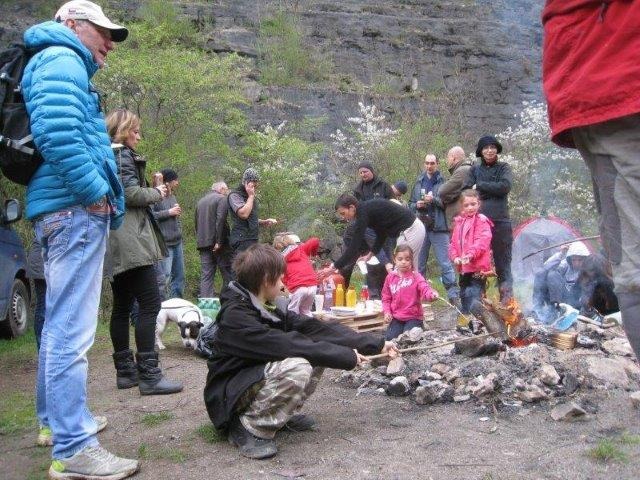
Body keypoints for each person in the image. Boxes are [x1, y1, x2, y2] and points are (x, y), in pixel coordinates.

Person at [21, 2, 138, 477]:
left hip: (60, 210)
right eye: (102, 32)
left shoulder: (54, 59)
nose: (109, 42)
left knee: (58, 326)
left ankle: (56, 422)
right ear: (71, 25)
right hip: (72, 211)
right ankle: (73, 449)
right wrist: (95, 194)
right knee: (71, 331)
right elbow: (57, 132)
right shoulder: (61, 57)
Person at [203, 244, 398, 459]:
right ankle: (249, 426)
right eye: (280, 278)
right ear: (266, 280)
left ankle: (278, 415)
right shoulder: (237, 318)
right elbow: (288, 344)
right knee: (300, 364)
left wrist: (373, 343)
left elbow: (313, 328)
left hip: (249, 378)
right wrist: (345, 356)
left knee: (317, 353)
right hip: (228, 397)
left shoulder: (265, 305)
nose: (283, 283)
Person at [542, 1, 640, 361]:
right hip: (620, 79)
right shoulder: (554, 275)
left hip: (596, 75)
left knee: (628, 259)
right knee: (635, 265)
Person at [105, 108, 183, 397]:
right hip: (131, 241)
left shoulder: (104, 153)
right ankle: (150, 376)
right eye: (135, 131)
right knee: (151, 304)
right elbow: (130, 194)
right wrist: (159, 192)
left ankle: (126, 374)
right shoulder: (122, 154)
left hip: (113, 240)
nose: (138, 136)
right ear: (124, 131)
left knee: (122, 307)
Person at [321, 194, 425, 279]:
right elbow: (381, 233)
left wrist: (333, 267)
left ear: (352, 207)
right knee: (408, 269)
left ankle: (407, 301)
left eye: (343, 213)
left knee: (402, 268)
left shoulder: (362, 214)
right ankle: (413, 300)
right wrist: (371, 254)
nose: (343, 217)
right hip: (413, 229)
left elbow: (354, 246)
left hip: (410, 230)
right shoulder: (367, 210)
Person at [463, 136, 513, 302]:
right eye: (486, 148)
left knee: (503, 263)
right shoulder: (474, 170)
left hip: (501, 222)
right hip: (478, 224)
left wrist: (481, 186)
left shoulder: (503, 167)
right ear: (481, 151)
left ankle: (507, 301)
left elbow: (505, 186)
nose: (489, 150)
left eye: (492, 147)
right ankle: (478, 303)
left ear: (497, 149)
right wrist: (489, 189)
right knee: (478, 263)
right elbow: (467, 192)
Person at [408, 154, 459, 304]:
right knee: (419, 264)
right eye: (427, 163)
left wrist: (434, 200)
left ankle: (453, 295)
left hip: (439, 228)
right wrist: (416, 205)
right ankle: (420, 295)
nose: (429, 166)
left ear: (437, 164)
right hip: (421, 227)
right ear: (424, 164)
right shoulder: (418, 182)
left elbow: (449, 205)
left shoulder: (444, 182)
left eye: (432, 163)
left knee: (445, 263)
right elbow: (410, 204)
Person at [448, 190, 493, 330]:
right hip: (464, 268)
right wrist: (455, 257)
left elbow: (483, 240)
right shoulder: (459, 223)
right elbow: (453, 244)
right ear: (462, 207)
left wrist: (471, 254)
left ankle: (479, 323)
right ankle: (466, 322)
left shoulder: (482, 221)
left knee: (476, 296)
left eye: (473, 204)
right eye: (466, 205)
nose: (470, 208)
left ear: (478, 204)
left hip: (478, 268)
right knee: (464, 294)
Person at [381, 245, 439, 340]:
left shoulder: (416, 276)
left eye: (407, 259)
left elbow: (425, 288)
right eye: (400, 259)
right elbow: (386, 298)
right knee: (390, 339)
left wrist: (431, 294)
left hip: (413, 317)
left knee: (408, 338)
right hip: (397, 317)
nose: (403, 262)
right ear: (395, 260)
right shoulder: (390, 277)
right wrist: (387, 312)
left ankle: (420, 326)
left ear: (411, 260)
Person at [227, 168, 277, 257]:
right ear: (248, 182)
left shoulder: (249, 196)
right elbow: (243, 214)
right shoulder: (235, 195)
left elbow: (250, 217)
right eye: (254, 183)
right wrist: (251, 196)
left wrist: (264, 221)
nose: (256, 186)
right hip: (241, 239)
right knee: (243, 269)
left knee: (253, 269)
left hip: (252, 238)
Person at [195, 181, 233, 297]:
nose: (227, 192)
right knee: (228, 274)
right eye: (226, 189)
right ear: (221, 189)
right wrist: (218, 241)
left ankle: (206, 310)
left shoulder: (200, 202)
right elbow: (220, 220)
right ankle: (228, 303)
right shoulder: (222, 199)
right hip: (220, 244)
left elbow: (196, 224)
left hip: (203, 244)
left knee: (206, 277)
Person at [153, 168, 185, 298]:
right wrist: (169, 213)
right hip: (164, 243)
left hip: (177, 241)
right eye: (175, 180)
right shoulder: (155, 196)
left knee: (179, 277)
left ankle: (177, 305)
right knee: (165, 276)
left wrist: (176, 216)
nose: (177, 182)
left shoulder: (173, 196)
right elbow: (151, 215)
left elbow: (175, 216)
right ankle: (163, 306)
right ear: (169, 181)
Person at [273, 232, 320, 316]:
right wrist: (313, 253)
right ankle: (311, 328)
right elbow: (315, 240)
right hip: (312, 286)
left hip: (298, 288)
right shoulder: (301, 249)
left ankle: (294, 329)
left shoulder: (280, 261)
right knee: (306, 311)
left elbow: (282, 282)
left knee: (292, 313)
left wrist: (284, 292)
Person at [438, 146, 473, 226]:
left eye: (448, 158)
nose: (447, 161)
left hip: (460, 220)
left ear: (453, 158)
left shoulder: (462, 171)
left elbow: (442, 192)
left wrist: (446, 199)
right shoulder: (466, 169)